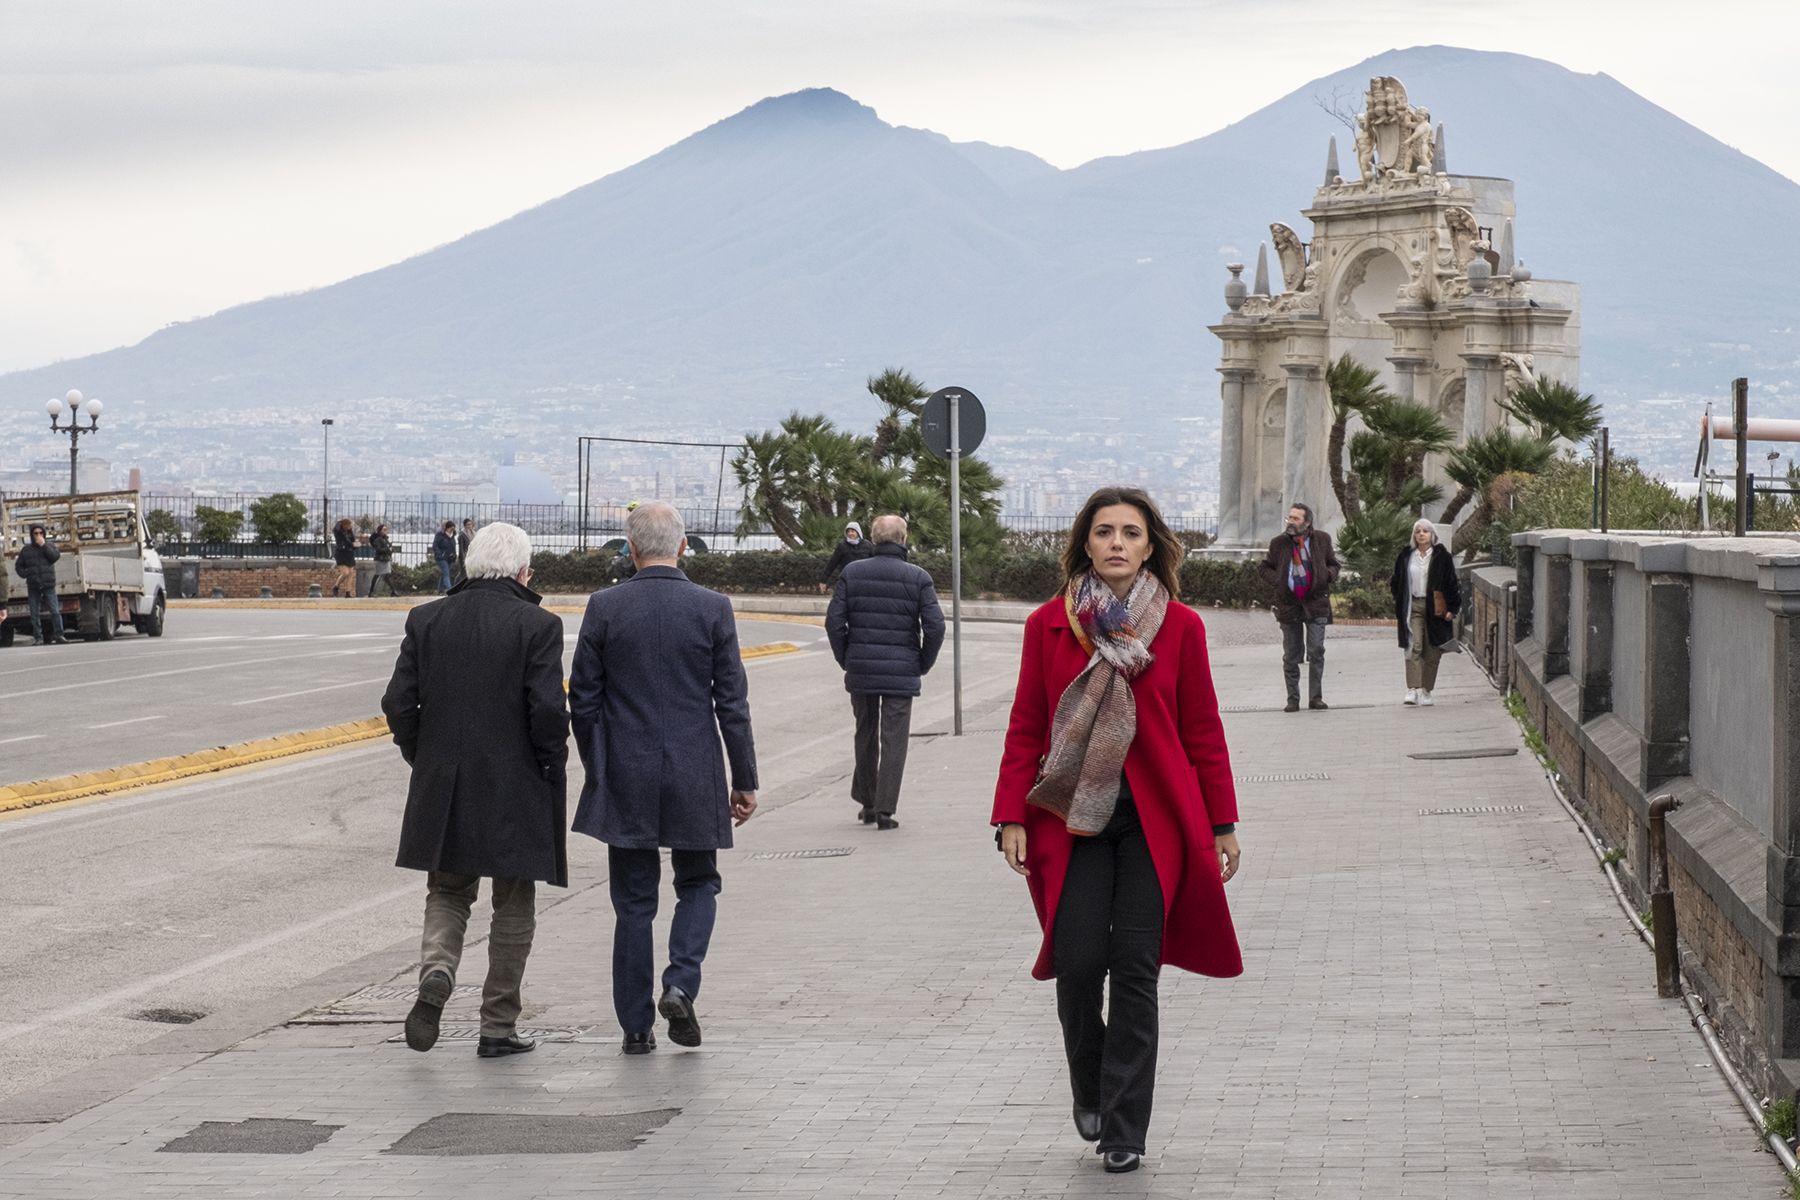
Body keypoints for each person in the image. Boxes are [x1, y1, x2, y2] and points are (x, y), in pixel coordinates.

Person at [991, 486, 1242, 1174]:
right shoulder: (1049, 624)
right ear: (1085, 543)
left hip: (1155, 824)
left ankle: (1124, 1126)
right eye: (1104, 532)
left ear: (1150, 544)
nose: (1117, 543)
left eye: (1131, 532)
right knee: (1077, 964)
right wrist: (1009, 812)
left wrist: (1222, 821)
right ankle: (1091, 1084)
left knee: (1134, 971)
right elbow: (1025, 723)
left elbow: (1202, 730)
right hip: (1071, 820)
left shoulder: (1182, 627)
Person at [569, 501, 758, 1056]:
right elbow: (733, 702)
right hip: (695, 770)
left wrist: (597, 764)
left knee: (632, 902)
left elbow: (582, 698)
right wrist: (744, 776)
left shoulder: (604, 606)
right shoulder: (713, 608)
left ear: (629, 549)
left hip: (624, 771)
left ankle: (634, 1027)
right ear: (682, 546)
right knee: (698, 882)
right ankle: (680, 982)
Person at [381, 522, 570, 1059]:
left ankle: (437, 972)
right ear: (522, 571)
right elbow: (548, 711)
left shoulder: (426, 620)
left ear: (467, 565)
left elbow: (397, 703)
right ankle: (497, 1026)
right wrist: (550, 766)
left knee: (447, 891)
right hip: (518, 785)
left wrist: (424, 756)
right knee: (514, 902)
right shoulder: (538, 624)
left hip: (445, 785)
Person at [824, 514, 944, 829]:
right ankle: (885, 810)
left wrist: (846, 658)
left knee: (865, 733)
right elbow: (935, 626)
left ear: (874, 540)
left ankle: (867, 801)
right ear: (903, 540)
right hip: (902, 669)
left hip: (861, 666)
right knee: (894, 738)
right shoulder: (918, 577)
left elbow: (834, 622)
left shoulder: (852, 573)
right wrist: (922, 663)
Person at [1257, 502, 1340, 712]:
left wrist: (1327, 575)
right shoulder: (1279, 543)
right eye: (1289, 518)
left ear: (1307, 522)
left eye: (1295, 519)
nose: (1290, 522)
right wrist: (1278, 580)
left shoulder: (1322, 540)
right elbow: (1264, 567)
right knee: (1292, 655)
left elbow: (1334, 563)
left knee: (1316, 650)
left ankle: (1316, 697)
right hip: (1289, 604)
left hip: (1315, 602)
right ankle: (1293, 698)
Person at [1389, 517, 1462, 707]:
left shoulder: (1442, 557)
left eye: (1425, 531)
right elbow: (1396, 581)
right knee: (1414, 646)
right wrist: (1400, 600)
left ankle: (1427, 690)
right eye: (1418, 531)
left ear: (1432, 535)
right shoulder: (1406, 555)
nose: (1421, 534)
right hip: (1412, 606)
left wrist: (1452, 609)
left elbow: (1452, 583)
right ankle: (1412, 689)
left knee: (1432, 650)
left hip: (1435, 609)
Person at [17, 524, 68, 645]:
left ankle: (59, 635)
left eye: (41, 533)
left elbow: (55, 557)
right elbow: (18, 566)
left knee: (55, 611)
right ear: (31, 535)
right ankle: (38, 637)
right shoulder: (26, 550)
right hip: (33, 585)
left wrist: (43, 545)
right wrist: (26, 573)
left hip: (48, 584)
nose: (38, 535)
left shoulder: (49, 546)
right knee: (34, 613)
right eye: (36, 533)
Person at [817, 520, 872, 594]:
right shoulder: (842, 546)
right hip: (846, 580)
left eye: (852, 531)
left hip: (864, 581)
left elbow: (875, 562)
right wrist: (823, 580)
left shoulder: (867, 545)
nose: (850, 533)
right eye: (848, 531)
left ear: (858, 532)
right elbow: (832, 564)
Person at [329, 518, 358, 598]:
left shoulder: (349, 531)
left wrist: (356, 544)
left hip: (349, 553)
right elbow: (337, 527)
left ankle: (348, 592)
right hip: (341, 553)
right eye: (349, 525)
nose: (351, 527)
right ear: (345, 525)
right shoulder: (338, 531)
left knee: (351, 573)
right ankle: (336, 587)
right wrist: (341, 523)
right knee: (345, 573)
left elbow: (352, 540)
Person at [367, 523, 397, 596]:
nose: (386, 531)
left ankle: (393, 591)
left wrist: (391, 550)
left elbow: (388, 547)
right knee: (377, 575)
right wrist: (387, 549)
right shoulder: (378, 540)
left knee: (387, 576)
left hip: (385, 559)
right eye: (384, 529)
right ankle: (371, 592)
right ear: (380, 531)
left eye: (386, 529)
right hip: (380, 560)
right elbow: (378, 549)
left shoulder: (385, 539)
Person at [432, 521, 457, 594]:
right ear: (447, 528)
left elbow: (453, 547)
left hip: (449, 558)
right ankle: (450, 590)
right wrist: (439, 554)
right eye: (450, 529)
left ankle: (440, 590)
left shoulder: (452, 536)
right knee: (446, 573)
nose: (451, 530)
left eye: (453, 529)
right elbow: (435, 545)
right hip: (441, 558)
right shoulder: (440, 535)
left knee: (444, 574)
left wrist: (454, 555)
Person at [454, 519, 476, 583]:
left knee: (465, 573)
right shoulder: (462, 535)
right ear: (465, 526)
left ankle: (457, 583)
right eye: (468, 525)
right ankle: (459, 585)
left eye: (470, 524)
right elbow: (461, 548)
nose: (469, 526)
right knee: (463, 573)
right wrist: (463, 558)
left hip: (472, 556)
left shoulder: (474, 533)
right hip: (464, 556)